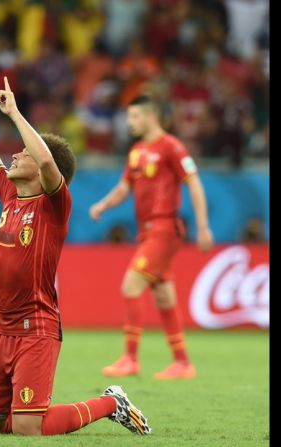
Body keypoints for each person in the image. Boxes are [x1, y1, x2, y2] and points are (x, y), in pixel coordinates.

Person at [0, 50, 150, 437]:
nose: (16, 153)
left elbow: (46, 163)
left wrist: (15, 114)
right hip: (0, 329)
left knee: (28, 428)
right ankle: (30, 412)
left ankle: (111, 403)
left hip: (36, 329)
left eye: (23, 152)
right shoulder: (11, 195)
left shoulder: (53, 205)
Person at [89, 95, 214, 380]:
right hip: (146, 232)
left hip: (165, 227)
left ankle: (130, 358)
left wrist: (203, 226)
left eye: (134, 116)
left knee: (131, 285)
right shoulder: (135, 152)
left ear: (150, 116)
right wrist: (102, 205)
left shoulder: (172, 147)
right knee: (163, 294)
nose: (129, 122)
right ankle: (182, 362)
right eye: (128, 117)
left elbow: (194, 183)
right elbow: (124, 188)